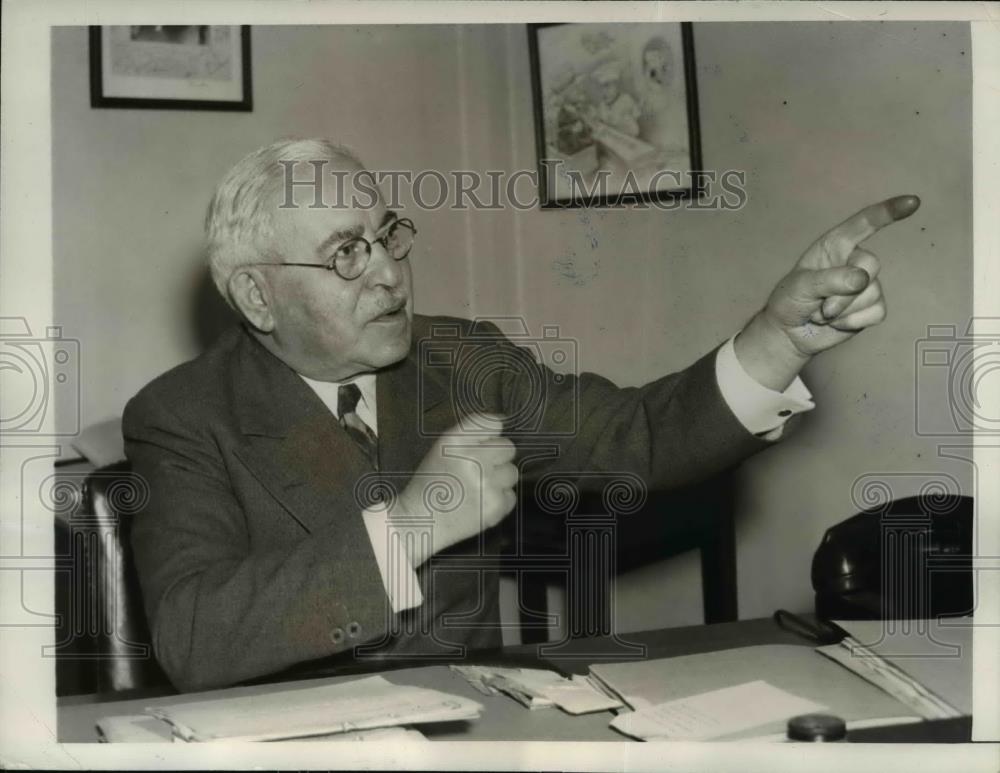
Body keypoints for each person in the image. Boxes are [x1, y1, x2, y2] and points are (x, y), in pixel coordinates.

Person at [123, 137, 919, 692]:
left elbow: (633, 435)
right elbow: (195, 636)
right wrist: (413, 525)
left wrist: (777, 338)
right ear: (259, 295)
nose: (393, 276)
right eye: (346, 254)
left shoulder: (464, 361)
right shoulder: (182, 415)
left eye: (387, 236)